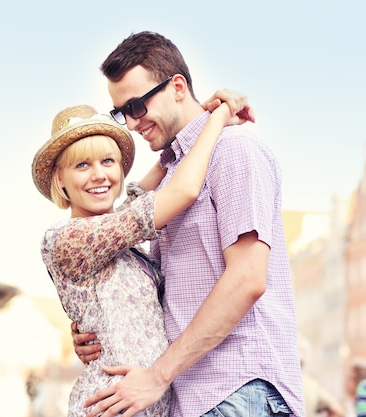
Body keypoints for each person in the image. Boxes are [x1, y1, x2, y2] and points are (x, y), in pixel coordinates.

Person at [71, 31, 305, 417]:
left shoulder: (235, 150)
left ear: (177, 87)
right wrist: (93, 321)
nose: (131, 123)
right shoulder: (174, 173)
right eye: (121, 112)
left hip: (237, 388)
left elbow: (247, 279)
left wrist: (157, 376)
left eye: (137, 105)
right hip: (198, 396)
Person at [32, 93, 253, 416]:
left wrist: (200, 120)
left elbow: (161, 173)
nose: (99, 175)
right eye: (82, 165)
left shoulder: (117, 231)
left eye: (108, 162)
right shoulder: (65, 239)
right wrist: (217, 118)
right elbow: (182, 189)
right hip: (109, 406)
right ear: (60, 179)